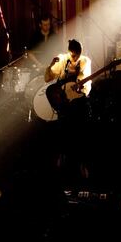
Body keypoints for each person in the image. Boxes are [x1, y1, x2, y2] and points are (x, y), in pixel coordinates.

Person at [44, 39, 93, 183]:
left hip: (78, 100)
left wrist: (80, 89)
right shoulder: (62, 59)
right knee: (62, 130)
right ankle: (61, 157)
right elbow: (48, 78)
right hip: (64, 102)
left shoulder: (85, 61)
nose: (75, 58)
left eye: (77, 55)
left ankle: (82, 164)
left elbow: (87, 84)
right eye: (73, 56)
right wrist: (51, 66)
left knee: (81, 132)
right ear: (69, 52)